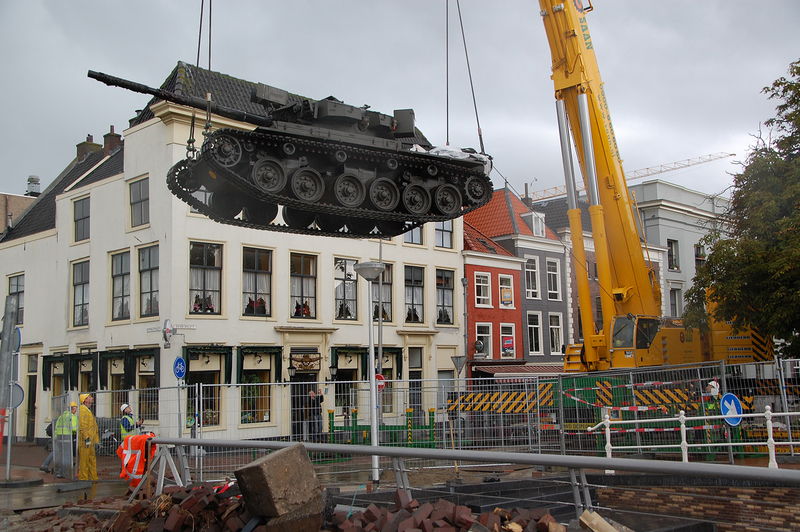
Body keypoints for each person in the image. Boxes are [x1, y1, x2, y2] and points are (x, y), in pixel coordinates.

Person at [40, 401, 78, 477]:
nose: (76, 410)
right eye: (75, 408)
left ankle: (46, 465)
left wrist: (56, 438)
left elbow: (57, 428)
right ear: (72, 409)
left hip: (59, 438)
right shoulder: (73, 417)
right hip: (67, 437)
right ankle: (61, 472)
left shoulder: (61, 416)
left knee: (57, 452)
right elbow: (74, 429)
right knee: (67, 455)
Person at [78, 393, 99, 481]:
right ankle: (83, 478)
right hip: (85, 440)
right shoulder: (83, 410)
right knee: (84, 460)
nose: (91, 398)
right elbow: (83, 425)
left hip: (90, 439)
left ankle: (93, 477)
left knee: (91, 459)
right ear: (85, 400)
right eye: (89, 397)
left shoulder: (87, 410)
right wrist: (86, 437)